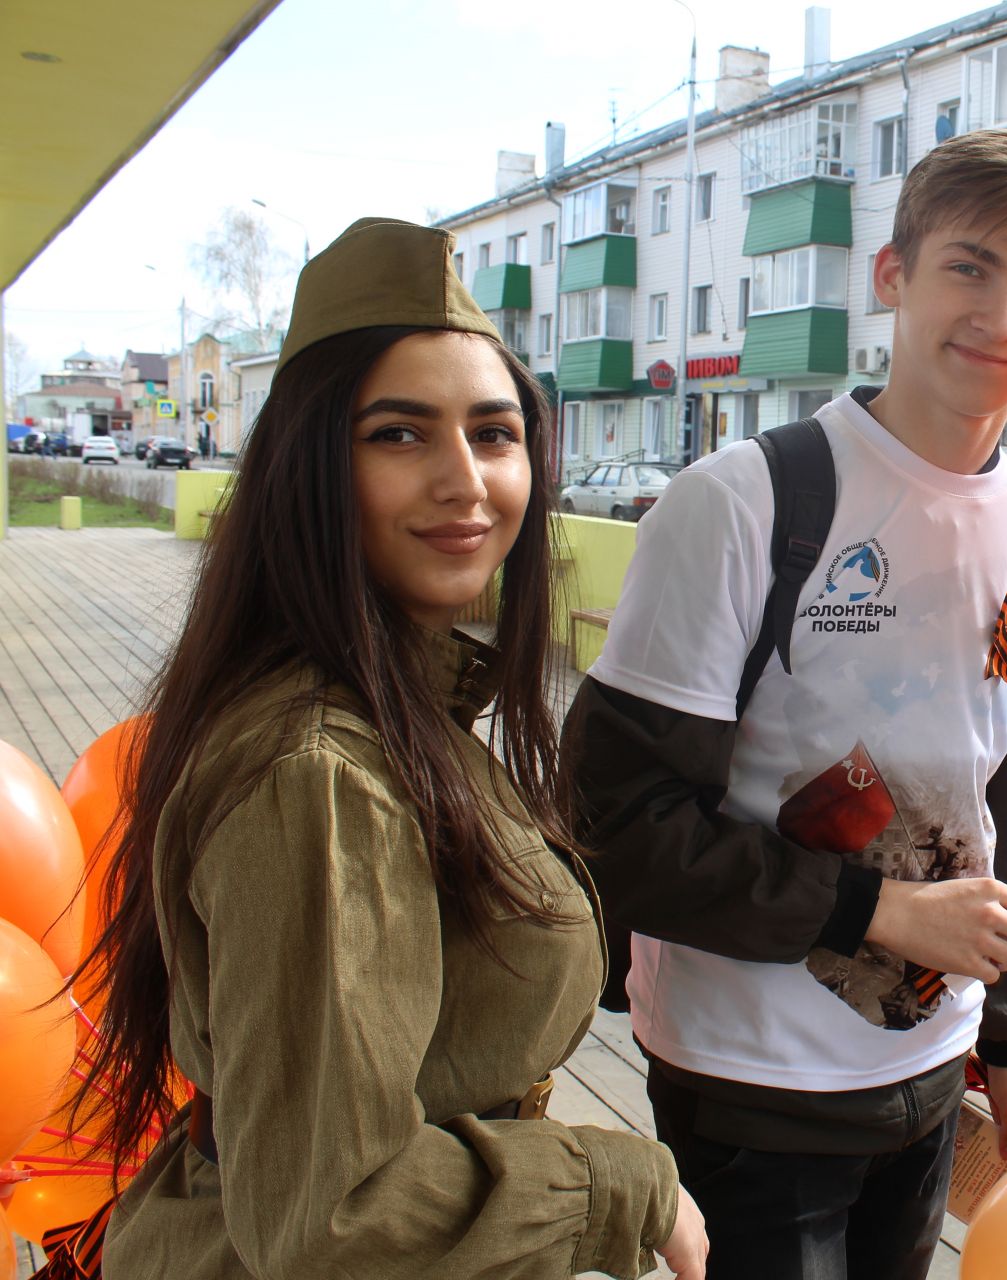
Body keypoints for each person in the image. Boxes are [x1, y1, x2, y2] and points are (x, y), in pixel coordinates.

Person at [65, 218, 704, 1280]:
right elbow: (332, 1215)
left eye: (495, 434)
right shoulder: (316, 771)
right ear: (310, 466)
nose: (466, 480)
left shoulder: (402, 699)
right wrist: (619, 1183)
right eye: (400, 434)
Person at [562, 129, 1007, 1280]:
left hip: (930, 1066)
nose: (1001, 317)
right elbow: (618, 823)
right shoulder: (744, 503)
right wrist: (877, 911)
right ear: (892, 275)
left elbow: (1003, 818)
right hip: (749, 1078)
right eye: (968, 267)